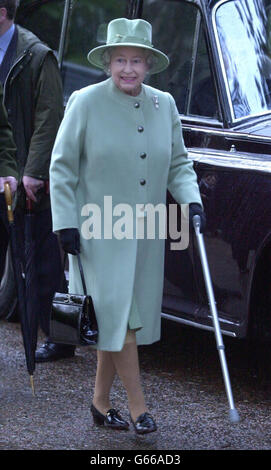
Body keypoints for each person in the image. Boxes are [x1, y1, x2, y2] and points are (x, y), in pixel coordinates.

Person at [50, 18, 206, 434]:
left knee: (116, 319)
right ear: (107, 62)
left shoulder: (164, 104)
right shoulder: (84, 101)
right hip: (96, 234)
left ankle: (100, 405)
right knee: (125, 323)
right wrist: (64, 222)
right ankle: (139, 411)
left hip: (146, 235)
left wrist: (191, 201)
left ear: (148, 65)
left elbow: (178, 163)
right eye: (120, 59)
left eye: (137, 60)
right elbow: (62, 167)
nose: (128, 69)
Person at [0, 0, 74, 361]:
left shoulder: (36, 55)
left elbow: (50, 116)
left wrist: (33, 171)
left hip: (25, 178)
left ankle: (62, 338)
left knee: (43, 265)